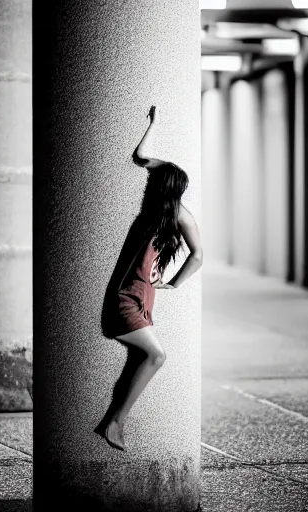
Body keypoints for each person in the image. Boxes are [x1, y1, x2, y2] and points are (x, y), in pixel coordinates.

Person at [104, 105, 203, 451]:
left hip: (131, 296)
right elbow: (199, 255)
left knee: (148, 356)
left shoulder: (153, 213)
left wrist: (154, 124)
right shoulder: (175, 214)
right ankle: (115, 422)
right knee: (156, 356)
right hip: (128, 299)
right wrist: (174, 282)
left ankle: (114, 420)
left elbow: (140, 157)